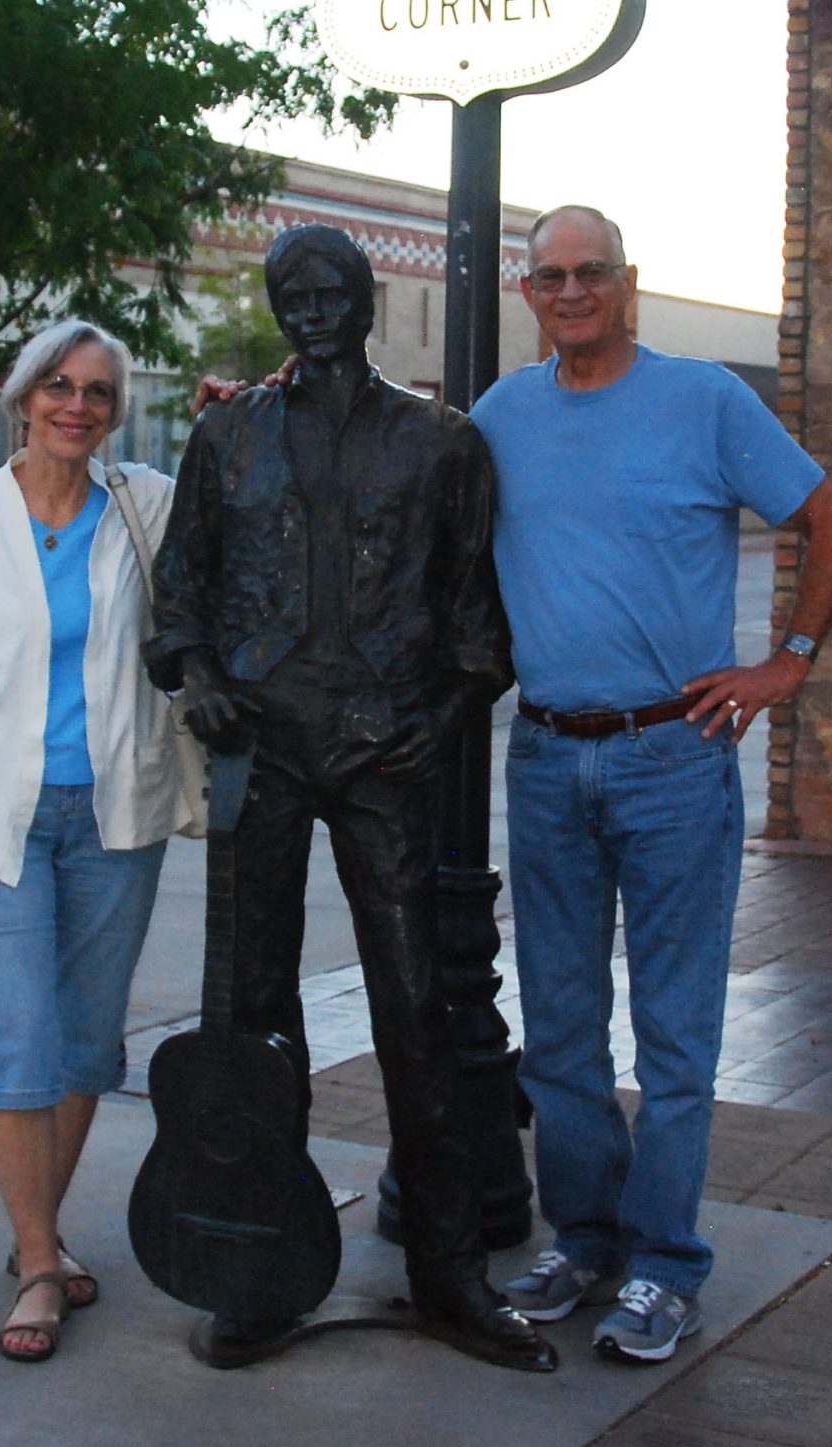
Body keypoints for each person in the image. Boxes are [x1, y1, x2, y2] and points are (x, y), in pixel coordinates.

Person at [146, 224, 550, 1370]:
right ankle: (260, 1265)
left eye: (333, 291)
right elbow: (180, 595)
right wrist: (205, 678)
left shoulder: (441, 445)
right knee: (254, 1015)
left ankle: (449, 1270)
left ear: (369, 300)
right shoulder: (227, 435)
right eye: (293, 294)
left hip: (384, 760)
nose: (314, 309)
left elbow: (480, 632)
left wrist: (431, 723)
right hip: (263, 754)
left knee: (416, 1012)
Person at [479, 204, 832, 1362]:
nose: (571, 289)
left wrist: (787, 658)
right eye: (549, 275)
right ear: (529, 292)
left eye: (590, 270)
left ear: (627, 282)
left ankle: (664, 1263)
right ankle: (583, 1240)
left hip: (671, 757)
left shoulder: (703, 400)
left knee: (676, 1032)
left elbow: (829, 513)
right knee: (555, 1030)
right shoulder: (501, 416)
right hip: (545, 754)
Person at [0, 320, 193, 1363]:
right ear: (21, 399)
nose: (76, 404)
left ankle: (38, 1239)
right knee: (19, 1038)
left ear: (114, 410)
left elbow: (242, 494)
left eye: (97, 391)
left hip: (114, 818)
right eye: (57, 386)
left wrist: (252, 399)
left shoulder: (141, 505)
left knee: (87, 1044)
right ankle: (36, 1265)